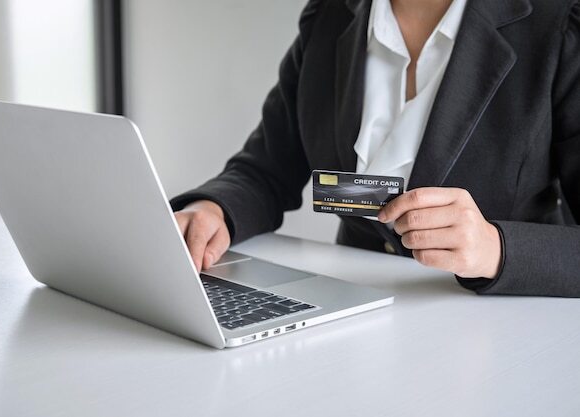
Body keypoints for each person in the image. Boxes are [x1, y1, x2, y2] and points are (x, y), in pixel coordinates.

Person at [171, 0, 580, 297]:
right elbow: (265, 171)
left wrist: (496, 248)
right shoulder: (329, 17)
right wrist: (213, 211)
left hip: (501, 331)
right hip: (352, 308)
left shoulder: (557, 24)